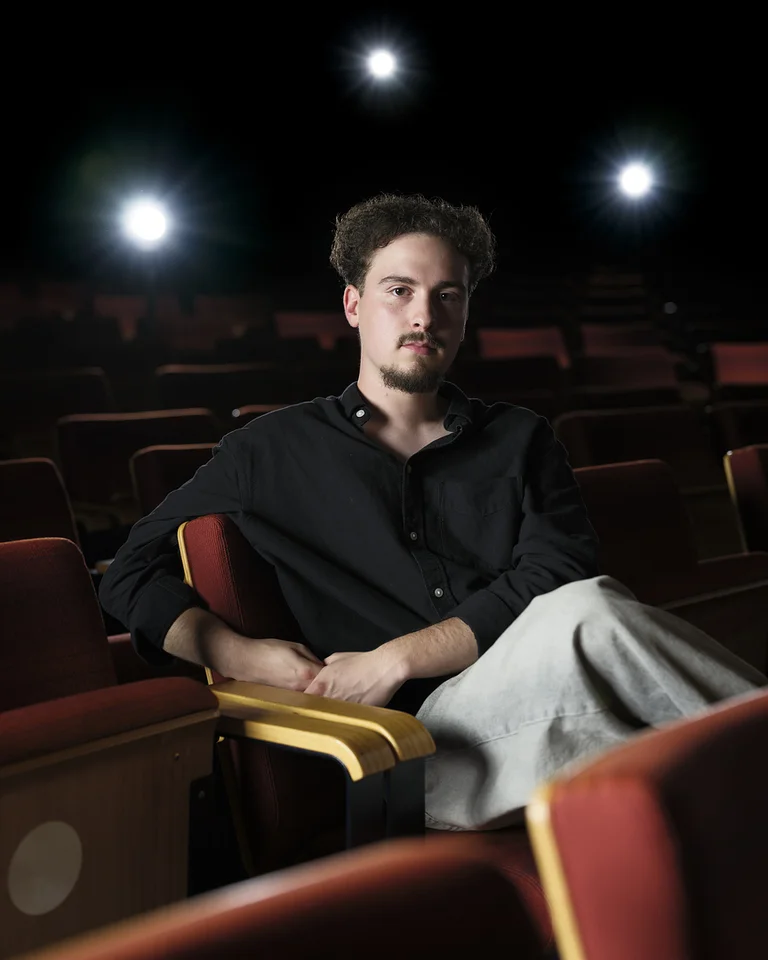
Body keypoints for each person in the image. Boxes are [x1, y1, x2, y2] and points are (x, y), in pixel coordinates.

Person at [100, 194, 766, 830]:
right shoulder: (269, 452)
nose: (426, 315)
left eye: (449, 296)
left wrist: (395, 657)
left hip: (546, 706)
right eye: (400, 291)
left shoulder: (520, 437)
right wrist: (241, 654)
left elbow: (558, 569)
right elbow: (127, 572)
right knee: (596, 622)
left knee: (637, 711)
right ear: (354, 305)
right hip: (414, 748)